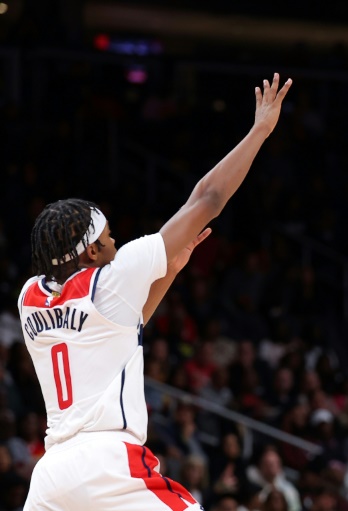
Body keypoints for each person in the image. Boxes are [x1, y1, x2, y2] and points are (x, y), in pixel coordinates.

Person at [18, 73, 292, 510]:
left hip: (52, 478)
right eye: (108, 236)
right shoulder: (113, 275)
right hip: (108, 463)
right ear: (90, 250)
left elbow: (119, 324)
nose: (116, 241)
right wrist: (260, 130)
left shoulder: (30, 298)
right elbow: (208, 198)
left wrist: (169, 271)